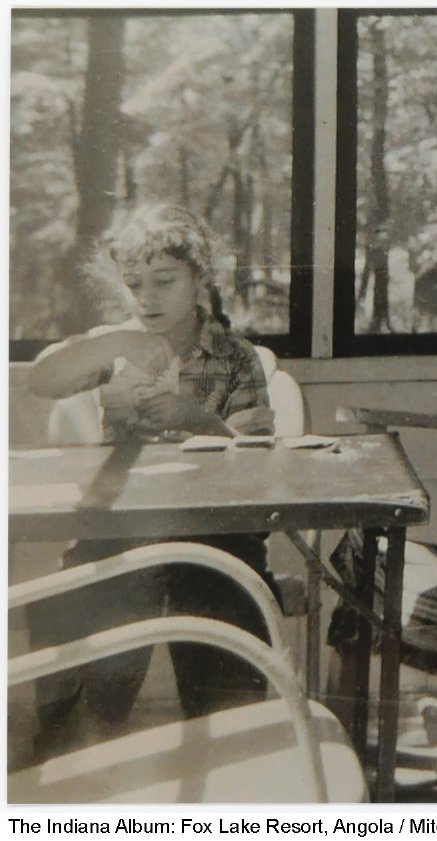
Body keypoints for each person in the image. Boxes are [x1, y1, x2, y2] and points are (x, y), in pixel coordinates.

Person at [27, 204, 280, 748]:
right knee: (68, 603)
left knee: (223, 631)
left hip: (218, 537)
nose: (147, 297)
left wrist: (198, 420)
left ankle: (228, 738)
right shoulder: (115, 350)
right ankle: (80, 739)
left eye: (164, 281)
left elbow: (259, 465)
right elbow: (42, 380)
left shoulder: (237, 359)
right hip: (120, 534)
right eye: (134, 284)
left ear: (199, 280)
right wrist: (115, 343)